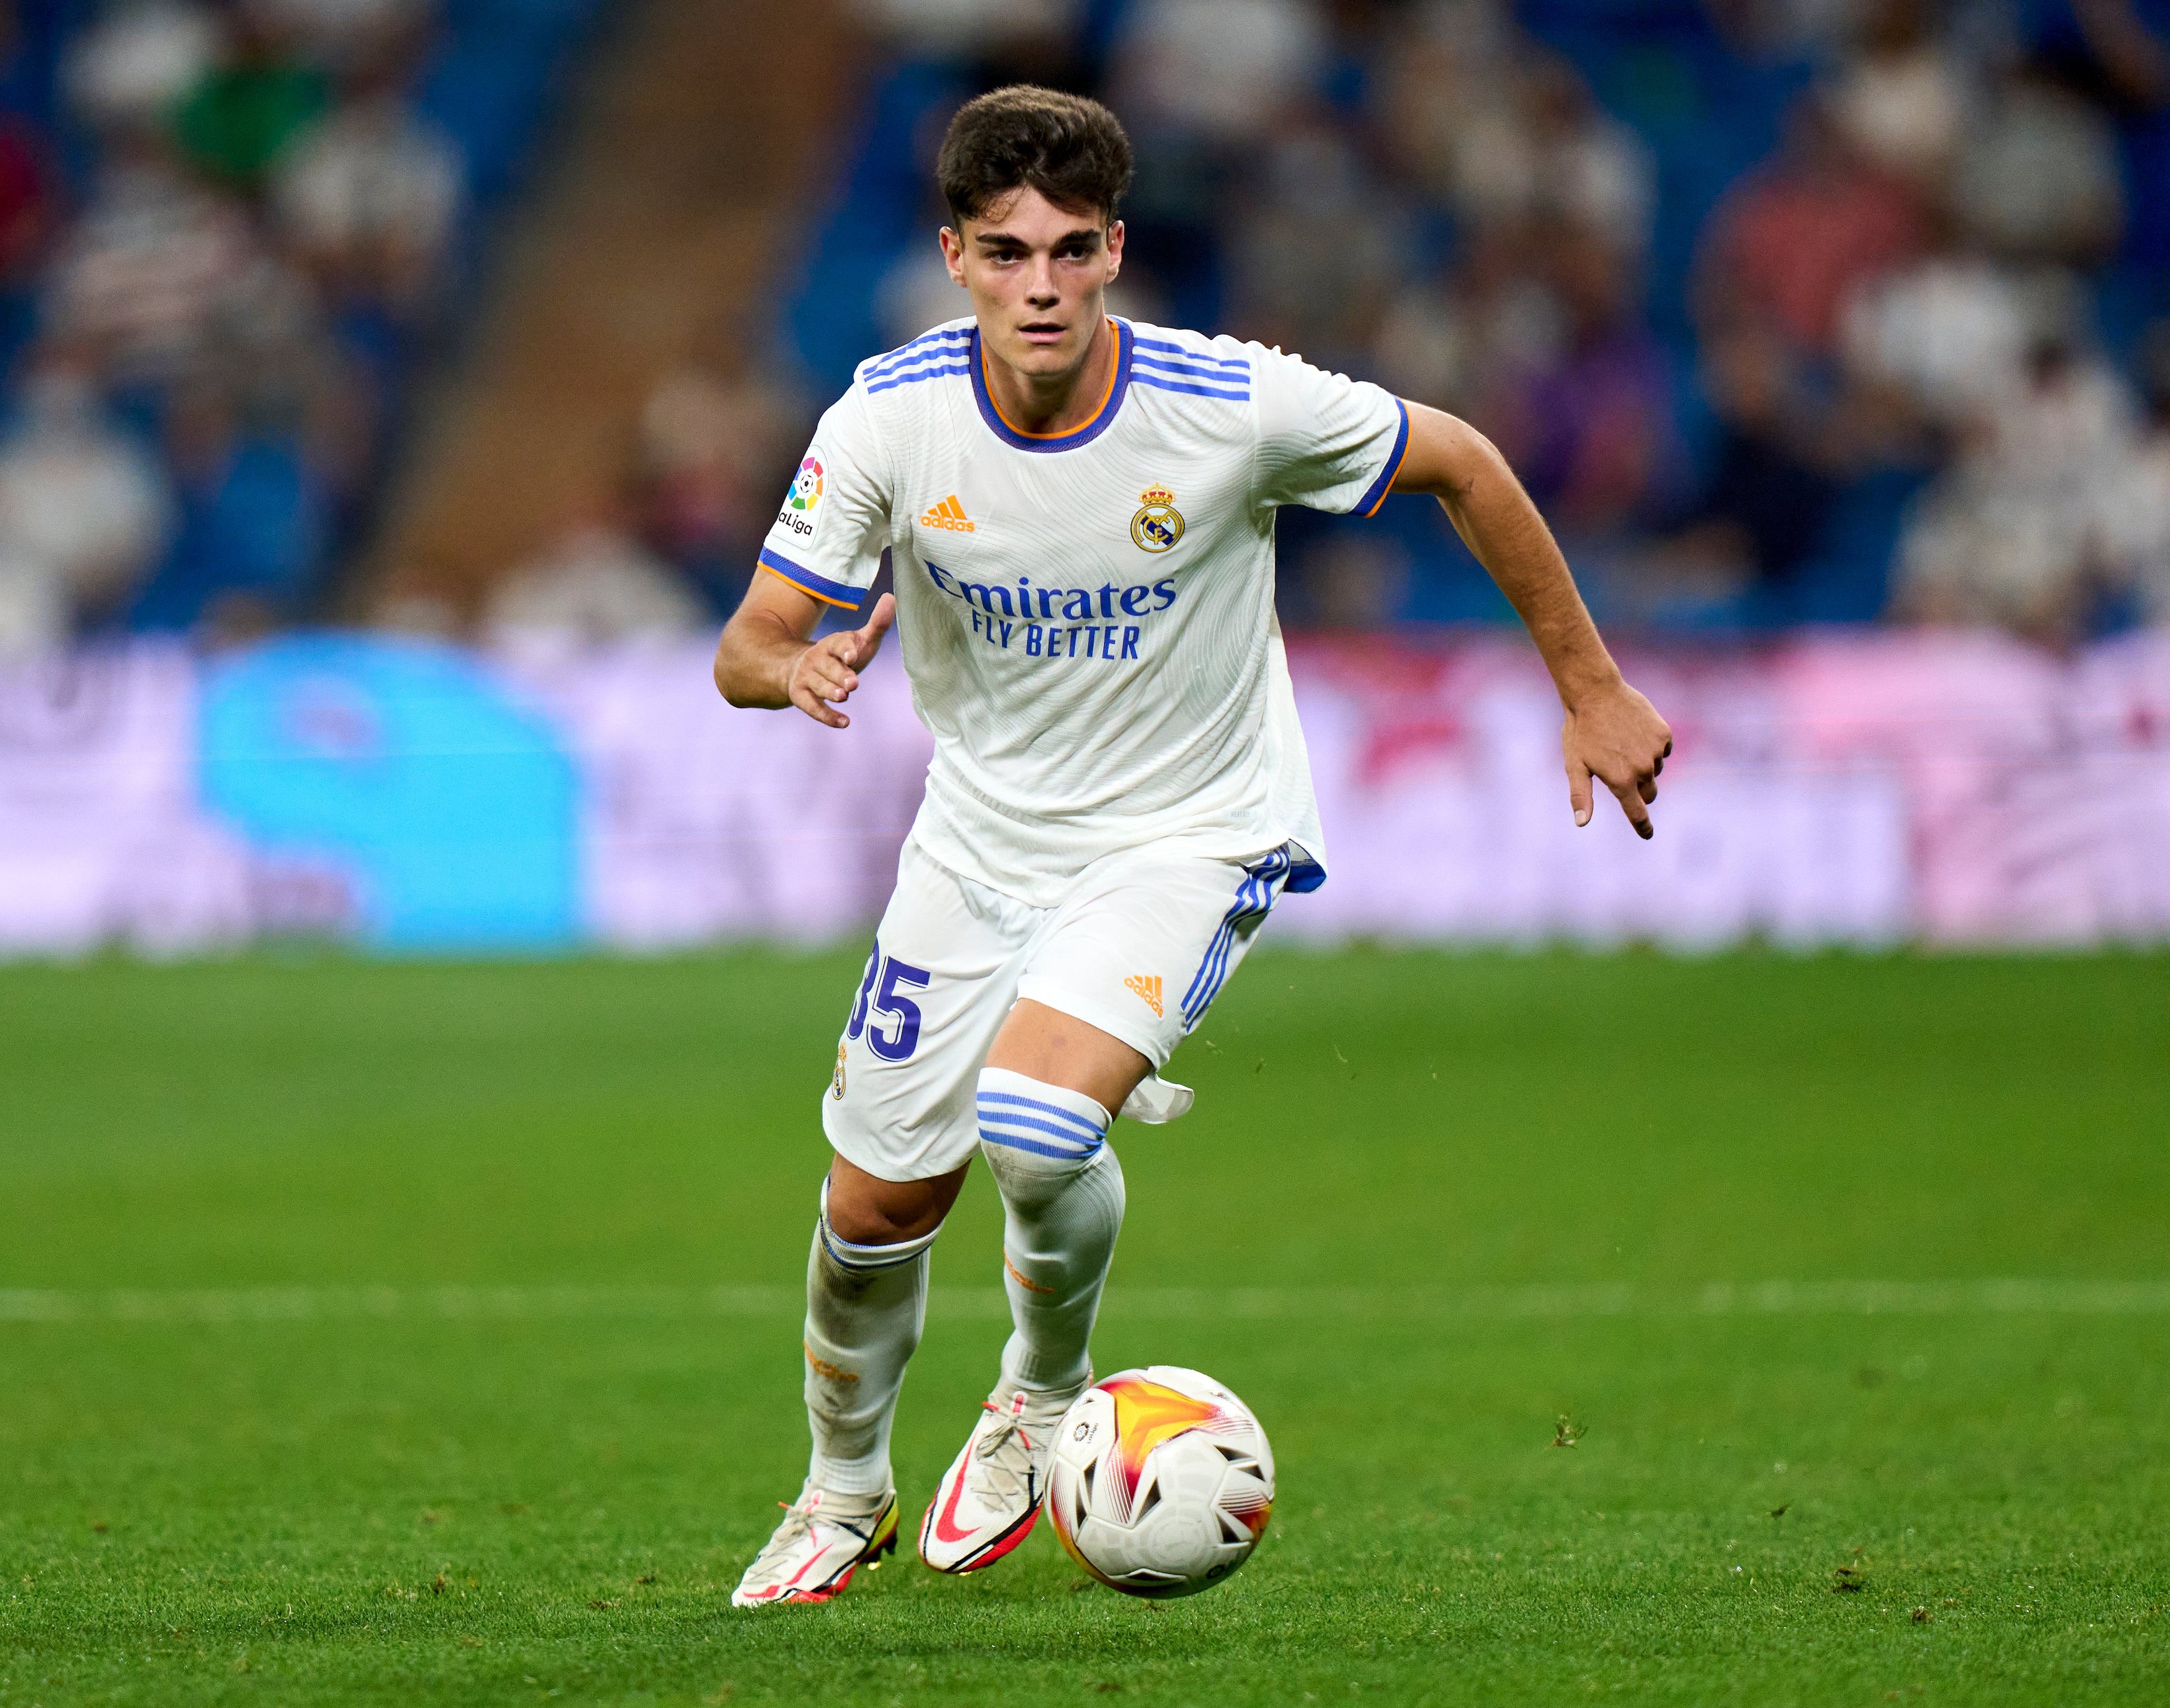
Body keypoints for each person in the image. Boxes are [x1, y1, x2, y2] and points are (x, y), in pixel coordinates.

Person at [711, 86, 1671, 1609]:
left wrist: (1593, 683)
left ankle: (1041, 1389)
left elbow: (1468, 462)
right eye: (1009, 252)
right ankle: (841, 1493)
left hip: (1191, 829)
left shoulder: (1228, 405)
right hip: (979, 838)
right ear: (956, 255)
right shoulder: (887, 418)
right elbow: (747, 644)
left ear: (1115, 253)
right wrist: (802, 669)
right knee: (871, 1209)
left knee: (1032, 1125)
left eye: (1073, 252)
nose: (1043, 286)